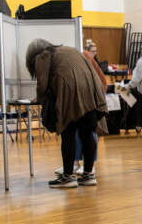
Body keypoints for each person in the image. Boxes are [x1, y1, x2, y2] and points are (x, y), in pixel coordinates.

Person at [26, 39, 108, 188]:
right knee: (87, 132)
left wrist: (39, 98)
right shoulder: (69, 50)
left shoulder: (42, 56)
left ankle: (68, 177)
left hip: (71, 93)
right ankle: (88, 175)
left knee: (68, 132)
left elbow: (42, 83)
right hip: (91, 92)